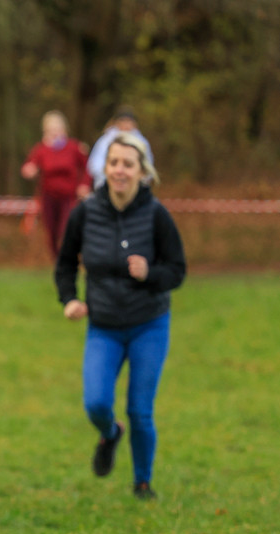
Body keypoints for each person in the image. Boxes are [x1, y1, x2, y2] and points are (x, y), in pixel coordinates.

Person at [55, 132, 186, 500]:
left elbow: (177, 270)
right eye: (114, 163)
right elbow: (65, 263)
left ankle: (143, 482)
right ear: (104, 167)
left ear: (142, 171)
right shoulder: (86, 212)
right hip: (104, 326)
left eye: (128, 164)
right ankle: (111, 433)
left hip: (149, 323)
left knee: (140, 410)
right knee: (96, 403)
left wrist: (150, 274)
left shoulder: (157, 214)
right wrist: (69, 299)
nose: (120, 170)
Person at [21, 110, 91, 259]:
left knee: (65, 229)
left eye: (57, 129)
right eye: (50, 130)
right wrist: (30, 169)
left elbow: (87, 167)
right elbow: (30, 165)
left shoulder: (74, 147)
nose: (54, 133)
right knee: (51, 232)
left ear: (64, 129)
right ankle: (58, 260)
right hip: (48, 196)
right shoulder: (41, 149)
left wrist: (84, 185)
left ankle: (69, 257)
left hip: (69, 196)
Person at [87, 106, 152, 189]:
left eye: (129, 121)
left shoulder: (142, 142)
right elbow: (95, 165)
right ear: (116, 122)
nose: (126, 124)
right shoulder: (105, 141)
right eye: (123, 121)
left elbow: (148, 166)